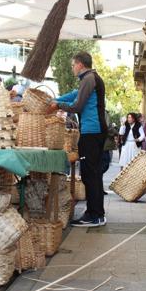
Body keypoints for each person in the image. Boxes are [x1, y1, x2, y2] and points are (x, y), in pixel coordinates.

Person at [48, 51, 107, 227]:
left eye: (73, 65)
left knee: (90, 174)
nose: (73, 68)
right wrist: (53, 100)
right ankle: (96, 213)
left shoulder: (89, 79)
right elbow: (74, 94)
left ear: (80, 64)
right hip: (92, 131)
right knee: (92, 172)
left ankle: (94, 215)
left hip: (92, 132)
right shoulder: (88, 79)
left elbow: (77, 105)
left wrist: (57, 105)